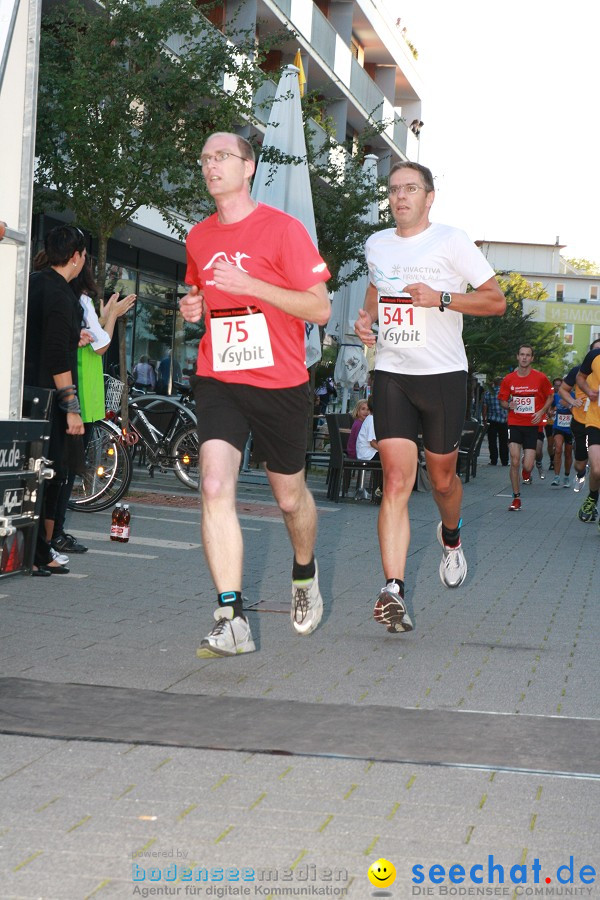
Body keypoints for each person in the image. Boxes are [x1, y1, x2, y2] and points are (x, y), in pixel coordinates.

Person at [179, 131, 331, 657]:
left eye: (222, 156)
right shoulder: (198, 236)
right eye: (205, 158)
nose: (210, 165)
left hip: (280, 382)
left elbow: (319, 309)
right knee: (215, 484)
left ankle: (305, 573)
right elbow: (197, 288)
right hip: (220, 375)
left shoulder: (283, 230)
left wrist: (254, 287)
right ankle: (231, 616)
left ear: (248, 168)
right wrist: (192, 307)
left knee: (290, 499)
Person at [354, 160, 505, 635]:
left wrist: (440, 298)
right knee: (396, 479)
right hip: (393, 373)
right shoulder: (376, 243)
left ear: (429, 196)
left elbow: (495, 300)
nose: (400, 197)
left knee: (441, 480)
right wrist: (365, 320)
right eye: (394, 189)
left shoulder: (452, 240)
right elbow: (376, 288)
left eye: (411, 189)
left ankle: (451, 537)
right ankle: (393, 590)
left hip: (443, 375)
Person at [51, 261, 136, 555]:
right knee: (67, 469)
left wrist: (106, 316)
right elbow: (101, 343)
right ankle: (56, 533)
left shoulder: (68, 299)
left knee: (64, 468)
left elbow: (95, 335)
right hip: (82, 393)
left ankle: (54, 532)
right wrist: (111, 315)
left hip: (78, 390)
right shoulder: (80, 300)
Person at [24, 225, 89, 575]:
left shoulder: (34, 281)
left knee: (28, 476)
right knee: (48, 474)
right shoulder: (63, 295)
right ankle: (36, 553)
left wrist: (70, 337)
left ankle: (36, 550)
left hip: (23, 392)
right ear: (76, 257)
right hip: (48, 399)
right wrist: (72, 408)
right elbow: (55, 357)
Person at [498, 345, 553, 510]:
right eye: (522, 354)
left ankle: (527, 471)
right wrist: (509, 404)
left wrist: (542, 411)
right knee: (514, 460)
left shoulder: (541, 378)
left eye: (528, 355)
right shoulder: (509, 379)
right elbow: (502, 401)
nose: (524, 358)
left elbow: (550, 396)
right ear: (517, 357)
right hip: (514, 423)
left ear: (532, 358)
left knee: (527, 465)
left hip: (532, 426)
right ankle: (516, 498)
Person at [558, 338, 600, 494]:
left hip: (596, 421)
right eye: (596, 350)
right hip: (581, 422)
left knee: (596, 464)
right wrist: (571, 402)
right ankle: (581, 473)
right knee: (580, 464)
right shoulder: (578, 371)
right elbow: (562, 390)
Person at [575, 343, 600, 526]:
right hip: (595, 421)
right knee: (597, 469)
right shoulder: (594, 356)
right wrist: (589, 391)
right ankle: (592, 496)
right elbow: (580, 377)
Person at [549, 380, 574, 487]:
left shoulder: (574, 395)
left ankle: (567, 477)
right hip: (558, 426)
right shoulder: (555, 396)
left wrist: (568, 405)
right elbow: (550, 407)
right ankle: (556, 477)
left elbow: (579, 412)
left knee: (568, 453)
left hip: (570, 428)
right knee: (558, 449)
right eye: (557, 386)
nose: (559, 388)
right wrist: (550, 412)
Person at [482, 376, 508, 466]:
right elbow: (511, 407)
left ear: (494, 383)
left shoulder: (488, 393)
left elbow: (484, 408)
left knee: (492, 441)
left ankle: (493, 460)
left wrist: (484, 420)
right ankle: (504, 461)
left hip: (492, 420)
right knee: (503, 442)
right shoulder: (506, 393)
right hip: (504, 421)